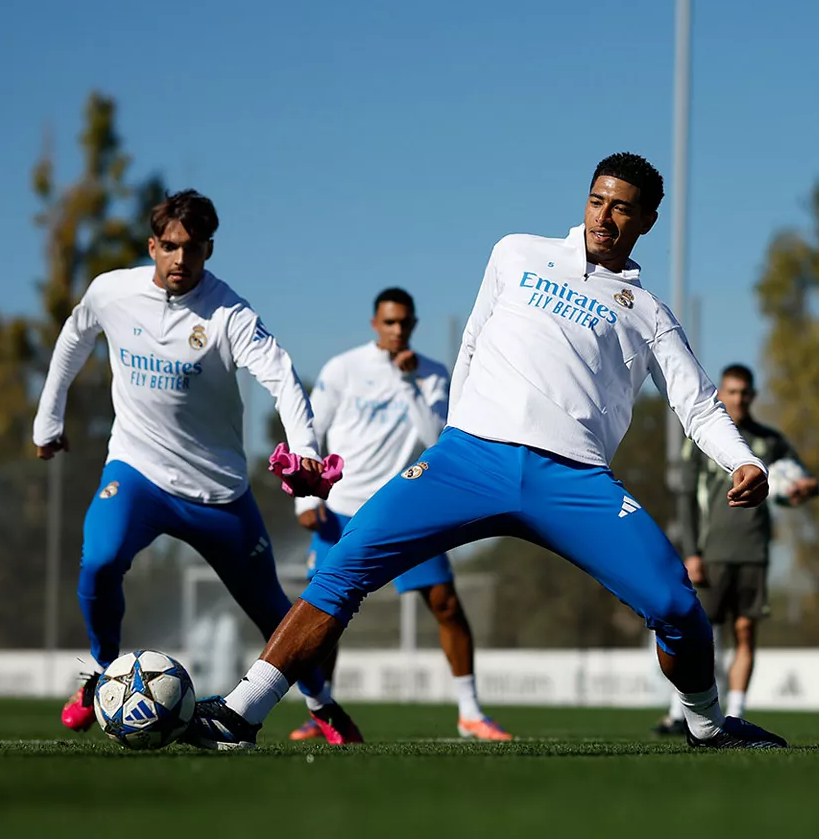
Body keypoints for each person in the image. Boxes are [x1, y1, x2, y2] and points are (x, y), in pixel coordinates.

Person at [186, 153, 787, 750]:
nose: (604, 217)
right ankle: (239, 715)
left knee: (677, 605)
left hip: (573, 478)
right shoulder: (516, 252)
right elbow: (472, 342)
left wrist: (743, 461)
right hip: (469, 460)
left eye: (622, 209)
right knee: (343, 568)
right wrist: (457, 436)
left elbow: (698, 404)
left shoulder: (650, 314)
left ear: (648, 221)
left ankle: (708, 727)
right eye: (597, 200)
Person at [32, 190, 361, 743]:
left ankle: (322, 706)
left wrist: (304, 448)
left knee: (273, 611)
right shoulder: (112, 292)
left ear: (209, 249)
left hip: (218, 494)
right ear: (152, 246)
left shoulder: (229, 314)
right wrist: (49, 418)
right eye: (169, 246)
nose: (180, 259)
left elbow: (281, 376)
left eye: (192, 248)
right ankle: (101, 676)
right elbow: (75, 335)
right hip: (137, 471)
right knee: (100, 561)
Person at [291, 287, 511, 742]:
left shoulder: (432, 374)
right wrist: (305, 498)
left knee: (446, 604)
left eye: (404, 323)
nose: (397, 330)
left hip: (404, 509)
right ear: (375, 323)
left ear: (413, 325)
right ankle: (321, 712)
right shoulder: (343, 368)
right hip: (342, 511)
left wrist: (410, 383)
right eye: (389, 322)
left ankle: (470, 712)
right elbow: (311, 429)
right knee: (323, 611)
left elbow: (438, 438)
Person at [654, 364, 818, 734]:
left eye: (744, 392)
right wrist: (691, 552)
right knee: (698, 633)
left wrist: (805, 488)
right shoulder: (704, 439)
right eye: (731, 391)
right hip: (711, 552)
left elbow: (803, 480)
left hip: (754, 551)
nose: (738, 399)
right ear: (721, 394)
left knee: (745, 632)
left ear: (752, 395)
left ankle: (737, 710)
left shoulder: (769, 441)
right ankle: (680, 713)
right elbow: (686, 499)